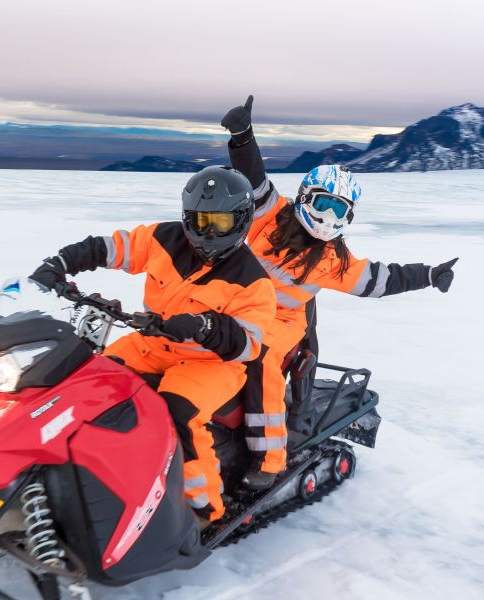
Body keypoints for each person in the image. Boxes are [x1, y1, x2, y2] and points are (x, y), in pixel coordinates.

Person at [221, 96, 458, 489]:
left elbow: (381, 280)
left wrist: (429, 274)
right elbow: (253, 177)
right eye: (324, 204)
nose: (329, 218)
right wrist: (243, 137)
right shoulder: (269, 216)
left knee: (258, 362)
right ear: (305, 198)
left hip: (280, 325)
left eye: (340, 209)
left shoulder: (334, 260)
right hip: (237, 306)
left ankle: (269, 457)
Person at [29, 166, 276, 522]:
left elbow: (247, 345)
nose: (206, 231)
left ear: (240, 221)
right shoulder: (164, 238)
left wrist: (204, 327)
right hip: (153, 343)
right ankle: (79, 475)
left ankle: (204, 509)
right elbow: (111, 248)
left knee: (179, 414)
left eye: (219, 223)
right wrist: (62, 262)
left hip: (209, 364)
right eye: (200, 220)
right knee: (84, 382)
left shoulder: (253, 281)